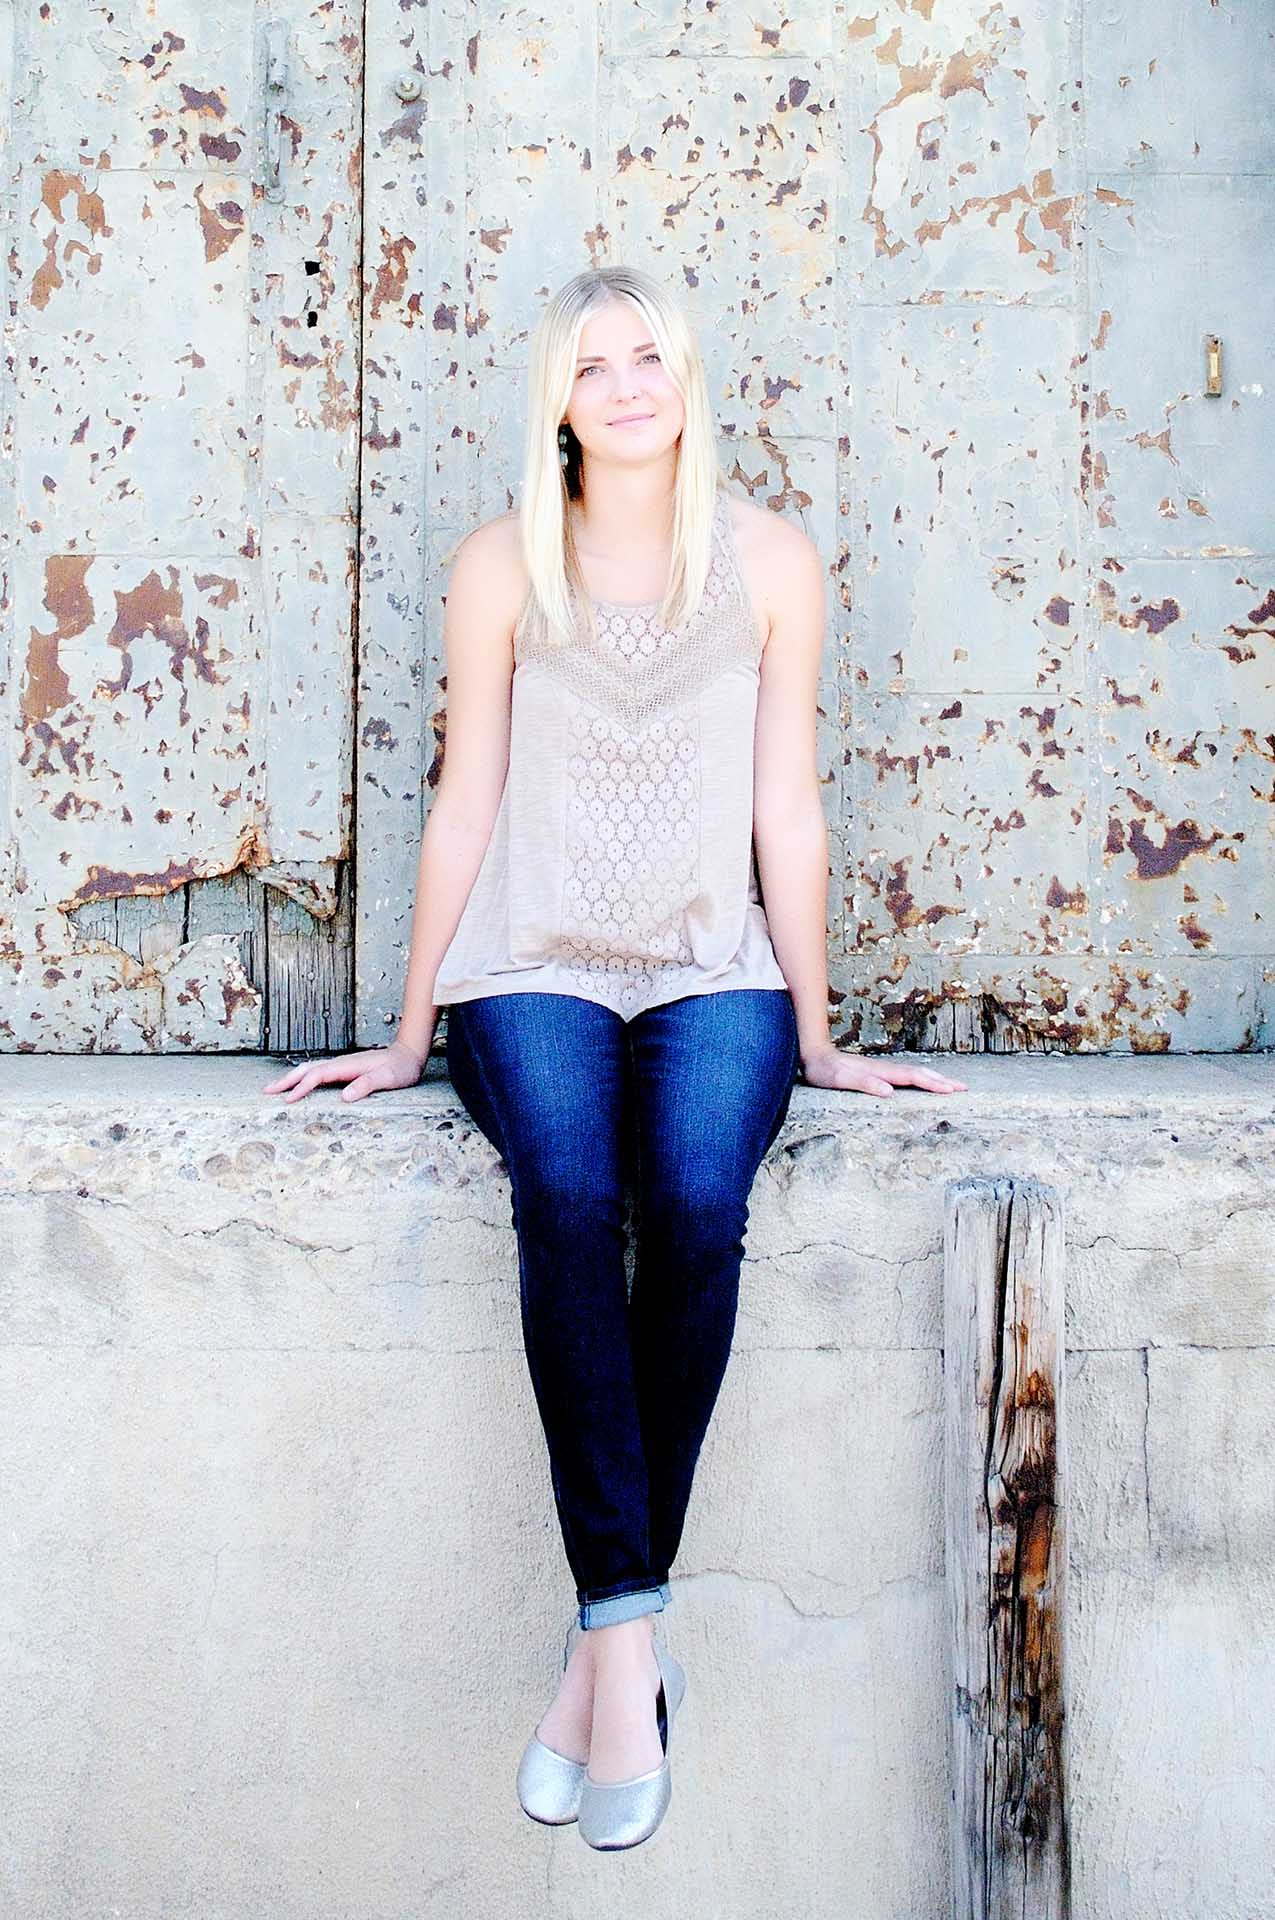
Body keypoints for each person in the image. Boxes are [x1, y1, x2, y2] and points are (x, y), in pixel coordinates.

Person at [264, 263, 967, 1849]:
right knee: (573, 1197)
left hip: (715, 965)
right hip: (535, 961)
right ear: (560, 404)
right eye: (595, 366)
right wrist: (410, 1030)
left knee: (699, 1200)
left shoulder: (770, 562)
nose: (630, 384)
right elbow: (465, 802)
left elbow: (788, 807)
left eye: (651, 355)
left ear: (689, 377)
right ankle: (632, 1647)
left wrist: (820, 1031)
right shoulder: (503, 563)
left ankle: (600, 1661)